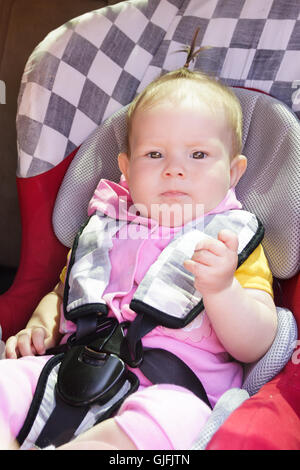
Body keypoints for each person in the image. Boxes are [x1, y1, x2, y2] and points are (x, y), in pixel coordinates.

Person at [2, 64, 277, 450]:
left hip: (172, 393)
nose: (175, 169)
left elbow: (257, 343)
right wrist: (40, 327)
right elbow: (62, 295)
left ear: (233, 172)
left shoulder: (230, 242)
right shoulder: (104, 229)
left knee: (168, 424)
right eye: (155, 154)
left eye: (198, 154)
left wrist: (223, 289)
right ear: (127, 171)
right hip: (72, 373)